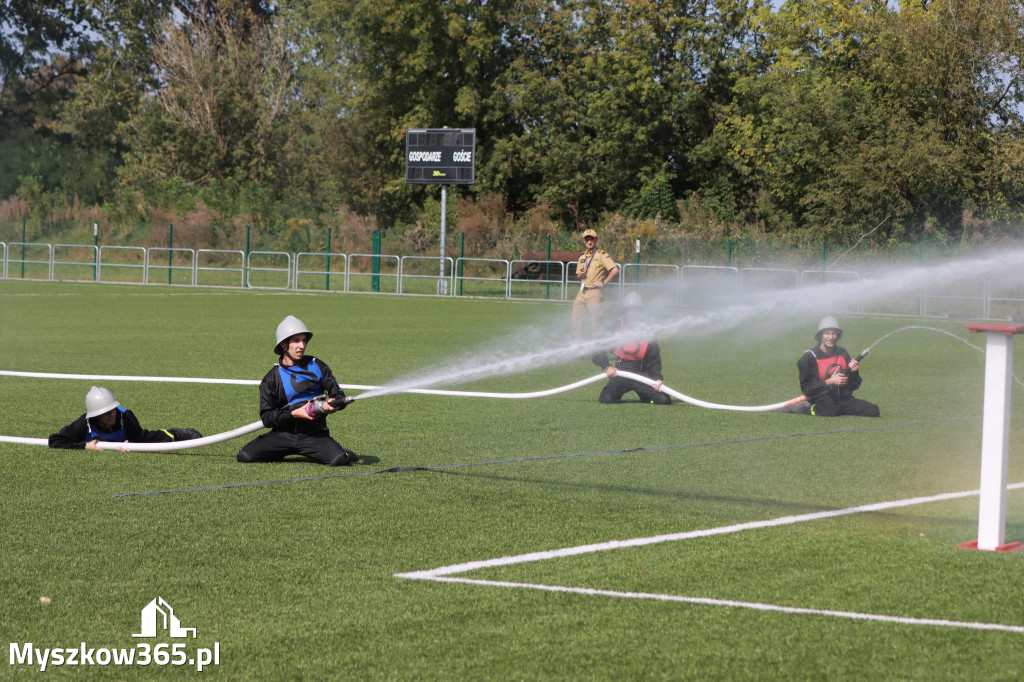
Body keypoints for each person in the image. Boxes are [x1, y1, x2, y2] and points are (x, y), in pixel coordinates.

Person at [237, 315, 359, 466]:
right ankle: (281, 451)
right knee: (245, 456)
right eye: (296, 341)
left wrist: (335, 403)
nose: (301, 345)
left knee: (339, 460)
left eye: (304, 340)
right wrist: (294, 413)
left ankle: (338, 450)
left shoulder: (318, 365)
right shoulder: (271, 379)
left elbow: (338, 394)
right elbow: (267, 418)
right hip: (283, 435)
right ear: (283, 344)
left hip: (314, 435)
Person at [782, 316, 880, 417]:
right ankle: (804, 408)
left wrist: (854, 372)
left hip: (843, 397)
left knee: (873, 410)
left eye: (834, 333)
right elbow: (807, 389)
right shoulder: (808, 358)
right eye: (827, 333)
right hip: (821, 398)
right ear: (821, 335)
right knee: (831, 410)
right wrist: (830, 382)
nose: (831, 337)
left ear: (838, 336)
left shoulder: (842, 353)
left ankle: (840, 408)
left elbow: (855, 385)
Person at [48, 386, 203, 450]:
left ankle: (176, 433)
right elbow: (55, 440)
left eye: (113, 409)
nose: (112, 413)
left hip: (129, 432)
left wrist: (131, 443)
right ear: (95, 415)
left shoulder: (124, 417)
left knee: (145, 439)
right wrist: (84, 446)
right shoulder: (83, 424)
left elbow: (137, 439)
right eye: (107, 411)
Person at [590, 293, 671, 405]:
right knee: (606, 399)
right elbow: (597, 349)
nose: (632, 313)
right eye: (629, 310)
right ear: (624, 311)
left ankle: (646, 397)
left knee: (664, 400)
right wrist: (607, 366)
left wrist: (657, 378)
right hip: (621, 373)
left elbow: (654, 359)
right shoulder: (615, 328)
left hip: (642, 374)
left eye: (635, 310)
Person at [572, 228, 620, 342]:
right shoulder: (582, 257)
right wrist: (580, 275)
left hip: (595, 293)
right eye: (587, 239)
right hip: (582, 292)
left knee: (596, 324)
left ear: (596, 240)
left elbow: (615, 270)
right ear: (584, 241)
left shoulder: (602, 255)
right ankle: (578, 348)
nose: (589, 242)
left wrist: (603, 283)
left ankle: (598, 352)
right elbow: (578, 275)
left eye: (591, 239)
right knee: (576, 322)